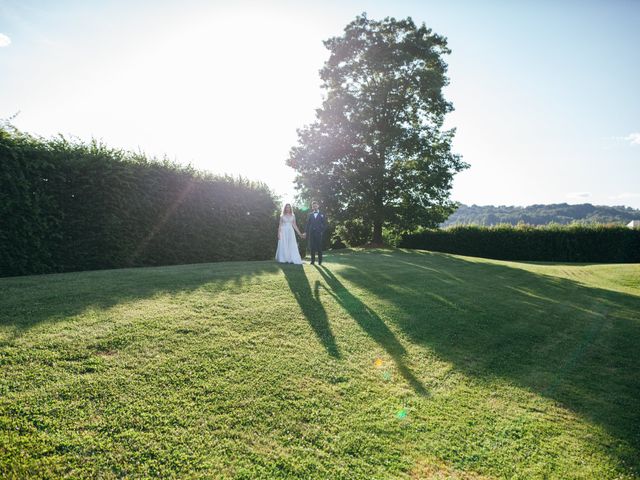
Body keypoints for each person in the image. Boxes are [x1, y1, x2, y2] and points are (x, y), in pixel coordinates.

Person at [305, 201, 326, 265]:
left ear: (318, 206)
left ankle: (320, 261)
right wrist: (306, 232)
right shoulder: (310, 215)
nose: (314, 207)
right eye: (313, 206)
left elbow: (325, 224)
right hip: (311, 233)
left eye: (315, 206)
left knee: (319, 247)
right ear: (312, 207)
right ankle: (312, 261)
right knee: (312, 247)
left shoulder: (322, 214)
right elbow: (308, 224)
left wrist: (322, 231)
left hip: (319, 233)